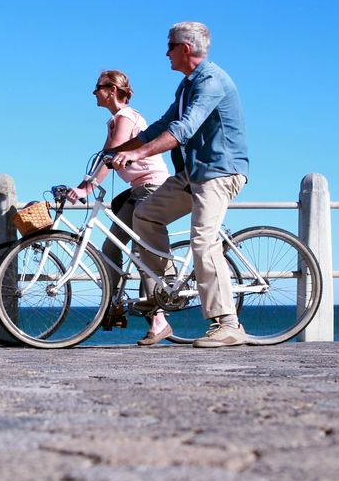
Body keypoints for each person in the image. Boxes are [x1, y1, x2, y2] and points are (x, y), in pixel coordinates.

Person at [110, 21, 249, 348]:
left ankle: (228, 323)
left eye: (170, 46)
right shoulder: (187, 85)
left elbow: (183, 129)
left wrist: (140, 153)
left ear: (185, 49)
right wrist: (118, 151)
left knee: (203, 241)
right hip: (194, 173)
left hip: (220, 172)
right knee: (145, 215)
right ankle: (165, 288)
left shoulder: (212, 81)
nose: (166, 52)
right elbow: (163, 123)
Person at [65, 70, 173, 347]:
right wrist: (80, 185)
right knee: (111, 249)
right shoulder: (114, 121)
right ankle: (112, 306)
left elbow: (112, 157)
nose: (94, 93)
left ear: (112, 90)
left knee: (142, 251)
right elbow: (102, 160)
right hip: (136, 190)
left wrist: (86, 190)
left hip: (150, 187)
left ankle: (158, 318)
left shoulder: (125, 117)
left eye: (98, 88)